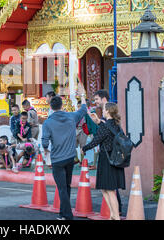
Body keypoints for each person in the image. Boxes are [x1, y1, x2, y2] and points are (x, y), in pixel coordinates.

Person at [42, 83, 87, 220]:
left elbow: (44, 142)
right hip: (70, 158)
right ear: (62, 105)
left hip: (57, 159)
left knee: (61, 188)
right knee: (66, 186)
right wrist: (83, 96)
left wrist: (46, 151)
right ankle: (63, 213)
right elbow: (84, 109)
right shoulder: (71, 117)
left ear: (51, 106)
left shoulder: (48, 123)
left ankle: (68, 215)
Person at [82, 102, 126, 220]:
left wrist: (84, 148)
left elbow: (95, 141)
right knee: (104, 188)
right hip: (114, 159)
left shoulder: (105, 126)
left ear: (107, 111)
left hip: (107, 160)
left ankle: (116, 216)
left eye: (104, 109)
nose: (103, 111)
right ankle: (112, 214)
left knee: (110, 190)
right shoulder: (116, 125)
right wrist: (98, 121)